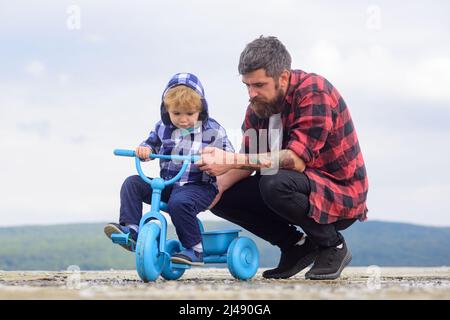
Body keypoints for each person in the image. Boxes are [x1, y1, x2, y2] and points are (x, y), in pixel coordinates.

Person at [197, 36, 369, 280]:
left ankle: (332, 245)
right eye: (247, 85)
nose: (251, 93)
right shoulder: (258, 107)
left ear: (283, 77)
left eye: (259, 85)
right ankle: (296, 246)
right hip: (295, 186)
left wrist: (229, 160)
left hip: (339, 193)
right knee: (223, 196)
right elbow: (247, 161)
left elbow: (296, 161)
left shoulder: (314, 91)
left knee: (274, 181)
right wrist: (216, 189)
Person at [104, 73, 234, 266]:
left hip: (199, 187)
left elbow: (228, 155)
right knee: (132, 183)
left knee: (179, 202)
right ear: (167, 110)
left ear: (200, 109)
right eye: (177, 114)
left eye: (189, 114)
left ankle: (195, 249)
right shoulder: (162, 127)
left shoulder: (213, 130)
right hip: (169, 184)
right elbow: (150, 144)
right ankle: (132, 230)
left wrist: (215, 160)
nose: (183, 120)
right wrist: (144, 150)